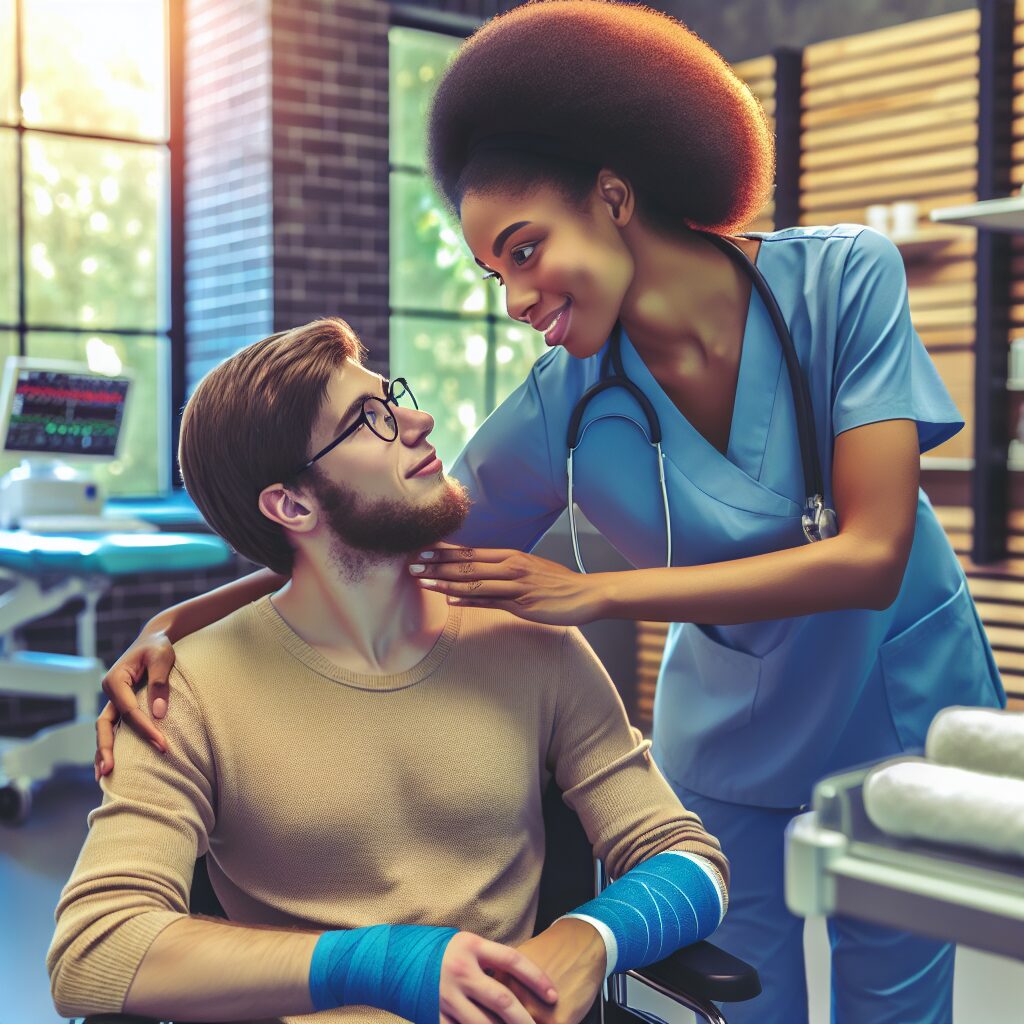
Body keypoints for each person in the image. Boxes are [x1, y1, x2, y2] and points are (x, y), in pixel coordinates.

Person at [94, 3, 1006, 1023]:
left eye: (524, 252)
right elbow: (365, 540)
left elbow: (872, 552)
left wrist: (594, 592)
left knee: (900, 996)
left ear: (614, 196)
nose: (514, 298)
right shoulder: (562, 402)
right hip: (734, 734)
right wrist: (177, 626)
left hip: (896, 694)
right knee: (749, 1004)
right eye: (494, 273)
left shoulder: (841, 279)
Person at [48, 318, 729, 1024]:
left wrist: (588, 937)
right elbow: (92, 952)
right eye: (370, 419)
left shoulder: (531, 641)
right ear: (292, 503)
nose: (418, 418)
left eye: (391, 396)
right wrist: (385, 967)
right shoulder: (180, 692)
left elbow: (691, 861)